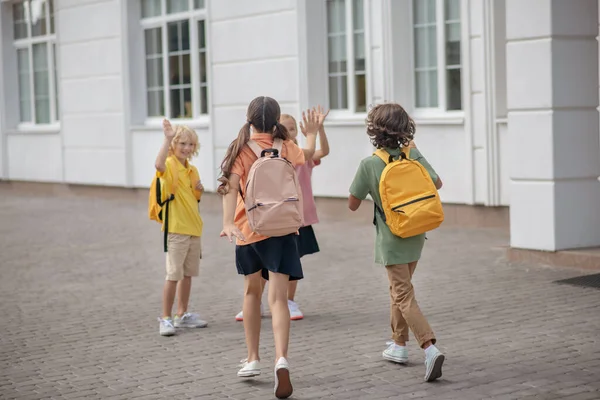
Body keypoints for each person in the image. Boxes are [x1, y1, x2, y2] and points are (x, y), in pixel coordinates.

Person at [218, 96, 320, 398]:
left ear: (250, 121)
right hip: (285, 229)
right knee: (278, 300)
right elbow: (310, 152)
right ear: (276, 120)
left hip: (250, 229)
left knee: (252, 292)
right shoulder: (285, 146)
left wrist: (227, 222)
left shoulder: (241, 150)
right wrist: (312, 130)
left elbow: (230, 186)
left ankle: (252, 359)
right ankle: (281, 359)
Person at [347, 103, 445, 382]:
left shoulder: (369, 164)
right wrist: (414, 153)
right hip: (417, 233)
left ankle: (429, 347)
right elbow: (437, 183)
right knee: (398, 290)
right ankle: (398, 345)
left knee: (402, 295)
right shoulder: (413, 154)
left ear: (374, 131)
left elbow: (353, 204)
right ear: (405, 129)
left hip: (392, 238)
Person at [155, 119, 207, 336]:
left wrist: (199, 189)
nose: (186, 148)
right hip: (176, 230)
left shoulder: (192, 170)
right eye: (182, 143)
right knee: (173, 275)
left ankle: (181, 315)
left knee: (187, 275)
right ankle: (165, 318)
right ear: (174, 145)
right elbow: (157, 165)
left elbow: (193, 198)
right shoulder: (169, 165)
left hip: (194, 230)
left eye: (191, 144)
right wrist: (167, 138)